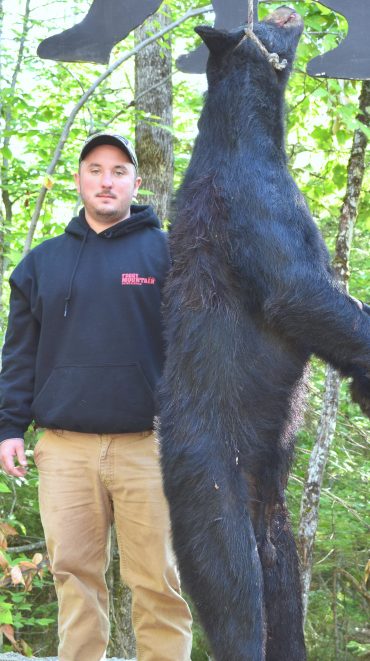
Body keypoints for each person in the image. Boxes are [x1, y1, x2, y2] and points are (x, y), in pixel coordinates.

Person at [0, 132, 192, 661]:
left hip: (148, 447)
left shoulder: (172, 255)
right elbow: (18, 355)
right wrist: (8, 428)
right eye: (95, 169)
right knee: (75, 581)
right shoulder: (41, 263)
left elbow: (202, 350)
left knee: (157, 583)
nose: (106, 181)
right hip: (64, 449)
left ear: (136, 181)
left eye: (119, 171)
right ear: (79, 178)